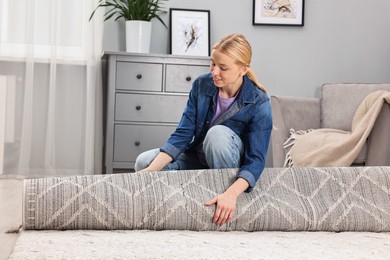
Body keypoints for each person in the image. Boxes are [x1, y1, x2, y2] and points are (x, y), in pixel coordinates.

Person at [135, 33, 272, 226]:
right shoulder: (202, 84)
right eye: (212, 64)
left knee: (217, 134)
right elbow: (183, 134)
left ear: (243, 69)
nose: (215, 72)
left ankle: (224, 197)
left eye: (223, 68)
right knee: (144, 162)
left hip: (227, 169)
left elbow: (256, 161)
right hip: (197, 159)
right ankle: (198, 192)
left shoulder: (259, 102)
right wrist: (149, 172)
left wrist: (232, 193)